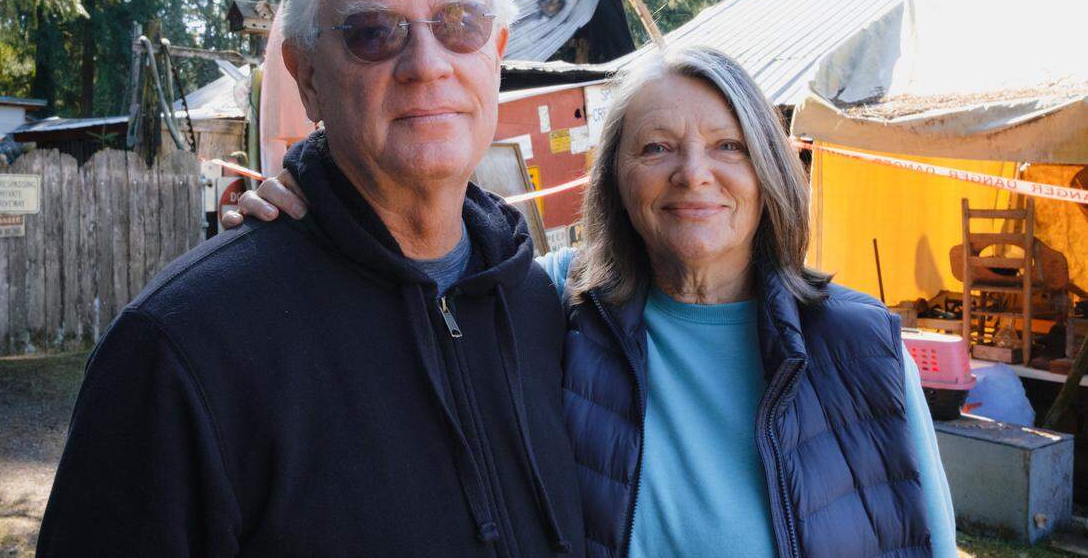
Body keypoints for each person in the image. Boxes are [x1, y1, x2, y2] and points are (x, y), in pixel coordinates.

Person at [37, 0, 584, 556]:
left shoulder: (542, 312)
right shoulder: (181, 350)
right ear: (307, 76)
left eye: (459, 24)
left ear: (495, 53)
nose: (426, 63)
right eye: (373, 32)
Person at [229, 46, 956, 557]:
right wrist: (317, 210)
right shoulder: (552, 300)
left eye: (728, 147)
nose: (693, 175)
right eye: (656, 149)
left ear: (768, 171)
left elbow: (932, 539)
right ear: (615, 182)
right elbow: (410, 287)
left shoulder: (860, 344)